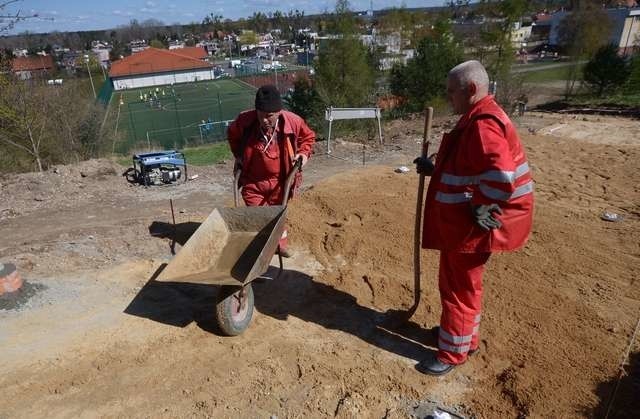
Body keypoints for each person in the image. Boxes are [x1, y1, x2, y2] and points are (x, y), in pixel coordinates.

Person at [413, 60, 534, 375]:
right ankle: (464, 338)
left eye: (452, 92)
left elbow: (501, 174)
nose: (449, 98)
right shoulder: (479, 115)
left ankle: (452, 354)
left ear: (470, 89)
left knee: (457, 287)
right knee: (464, 285)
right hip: (467, 223)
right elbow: (467, 166)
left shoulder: (483, 124)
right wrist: (435, 169)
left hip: (471, 226)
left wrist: (482, 206)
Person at [227, 85, 315, 258]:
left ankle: (279, 245)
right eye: (260, 115)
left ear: (279, 112)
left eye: (269, 116)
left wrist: (303, 154)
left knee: (277, 215)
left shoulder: (293, 121)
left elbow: (308, 137)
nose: (264, 120)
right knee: (259, 217)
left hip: (281, 181)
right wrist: (238, 156)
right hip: (253, 181)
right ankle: (262, 254)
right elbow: (232, 135)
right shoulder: (245, 121)